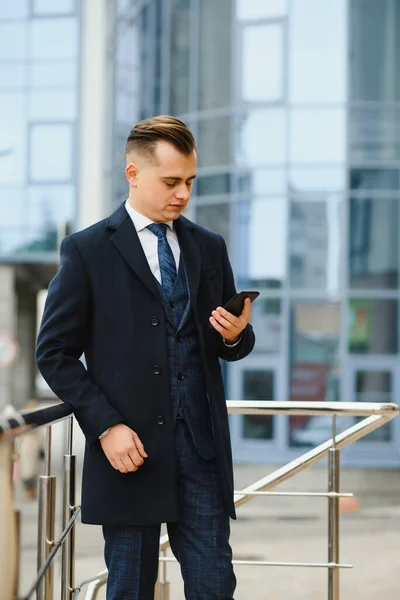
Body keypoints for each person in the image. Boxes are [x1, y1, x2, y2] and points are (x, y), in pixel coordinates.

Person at [36, 116, 255, 599]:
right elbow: (53, 354)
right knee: (130, 588)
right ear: (133, 174)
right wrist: (106, 426)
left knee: (215, 585)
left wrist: (238, 335)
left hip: (201, 452)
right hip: (129, 453)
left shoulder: (208, 247)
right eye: (171, 181)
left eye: (190, 182)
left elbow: (227, 344)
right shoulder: (87, 250)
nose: (183, 194)